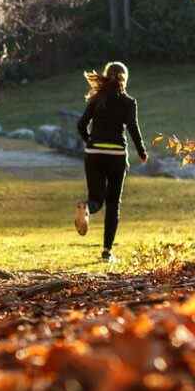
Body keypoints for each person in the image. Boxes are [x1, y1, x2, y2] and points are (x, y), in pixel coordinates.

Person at [73, 62, 147, 263]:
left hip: (94, 153)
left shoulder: (97, 99)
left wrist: (90, 141)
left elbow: (81, 125)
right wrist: (141, 152)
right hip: (116, 155)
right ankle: (107, 252)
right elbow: (133, 129)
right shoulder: (128, 102)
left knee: (96, 199)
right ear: (125, 79)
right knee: (113, 204)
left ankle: (85, 207)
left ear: (107, 76)